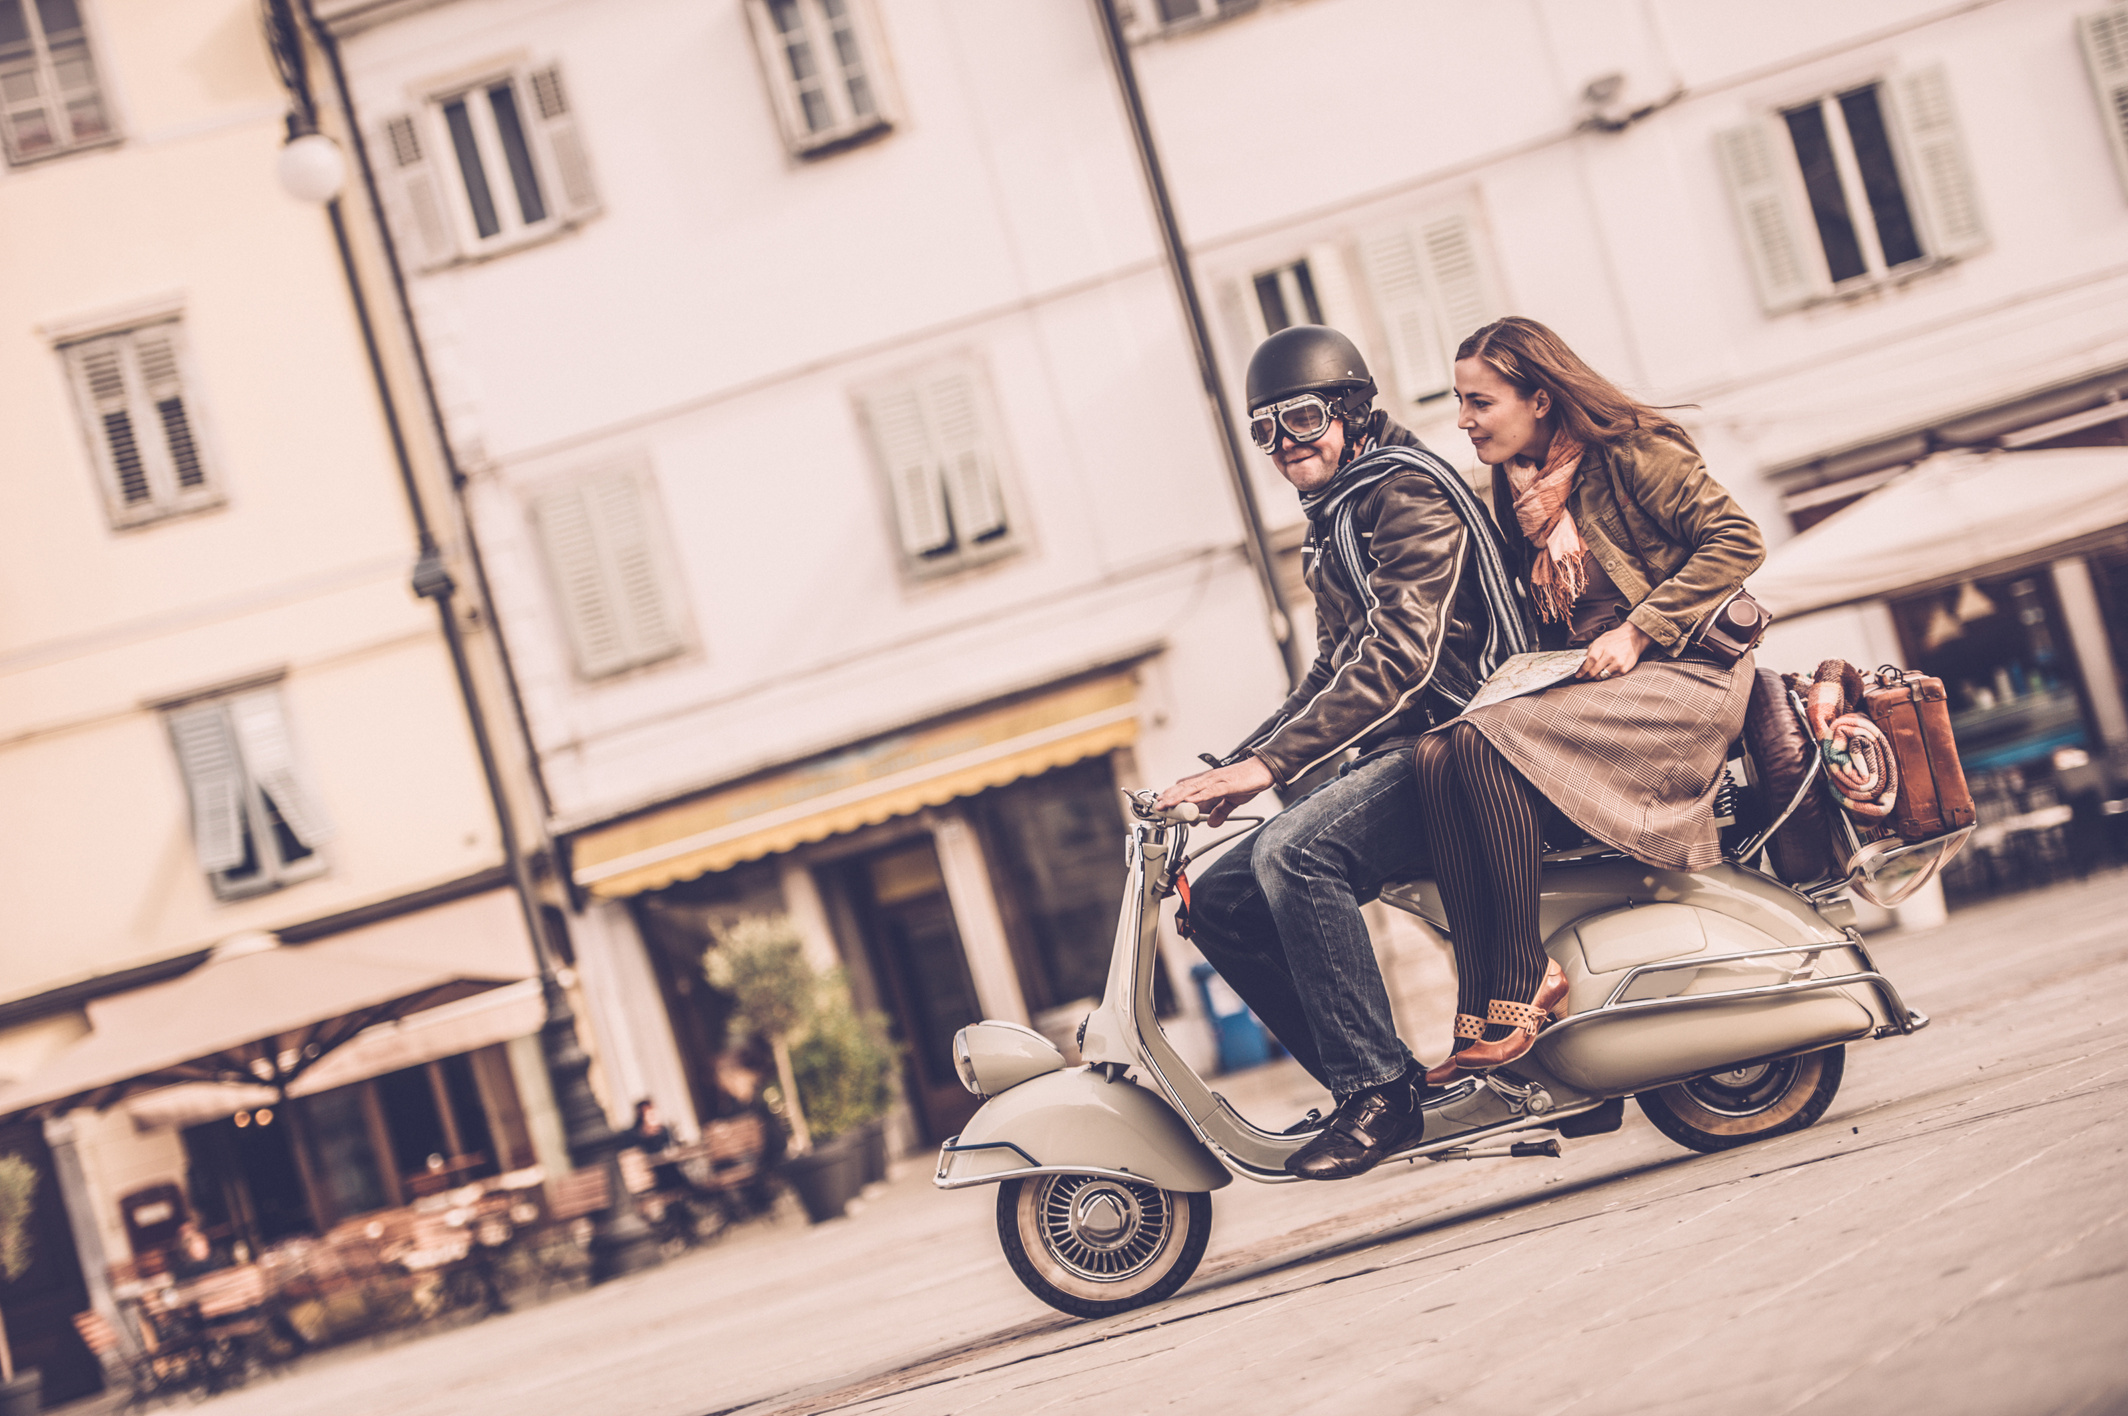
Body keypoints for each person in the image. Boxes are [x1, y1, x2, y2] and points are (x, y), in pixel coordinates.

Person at [1156, 325, 1528, 1180]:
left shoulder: (1405, 495)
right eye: (1265, 429)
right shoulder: (1337, 516)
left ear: (1353, 411)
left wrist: (1272, 769)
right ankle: (1384, 1086)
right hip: (1410, 751)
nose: (1286, 445)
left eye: (1304, 417)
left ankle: (1377, 1097)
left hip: (1468, 752)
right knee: (1218, 899)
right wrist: (1237, 767)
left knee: (1297, 850)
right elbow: (1329, 670)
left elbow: (1403, 659)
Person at [1413, 317, 1766, 1078]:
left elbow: (1739, 541)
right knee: (1437, 752)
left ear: (1540, 399)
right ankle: (1481, 997)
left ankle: (1525, 977)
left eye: (1481, 403)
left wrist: (1640, 630)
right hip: (1595, 689)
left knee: (1482, 738)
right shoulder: (1514, 491)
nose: (1466, 421)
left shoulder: (1634, 453)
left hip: (1685, 676)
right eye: (1460, 402)